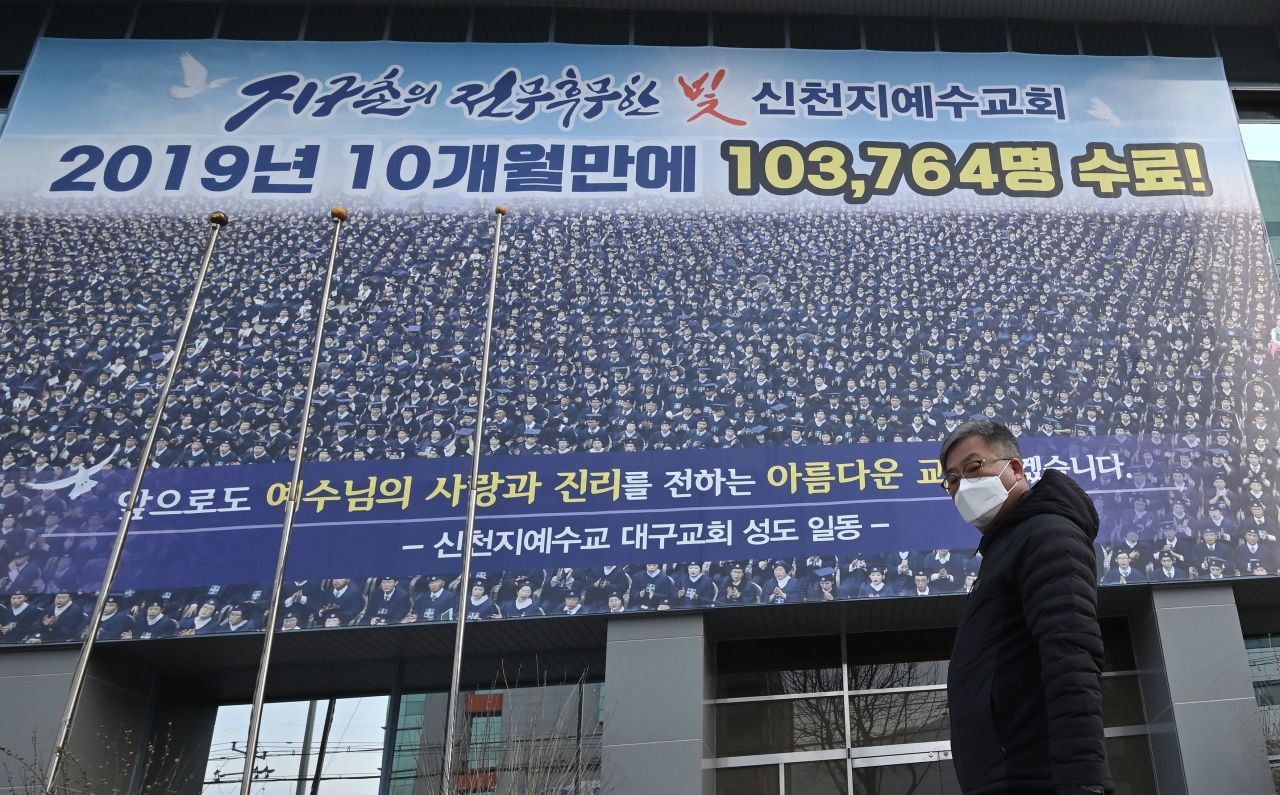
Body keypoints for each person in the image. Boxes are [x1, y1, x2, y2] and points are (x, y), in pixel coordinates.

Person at [939, 420, 1110, 795]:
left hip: (1034, 777)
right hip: (1004, 777)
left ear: (1014, 468)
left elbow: (1071, 657)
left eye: (972, 468)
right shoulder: (1005, 548)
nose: (962, 487)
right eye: (952, 480)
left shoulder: (1047, 534)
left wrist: (1082, 782)